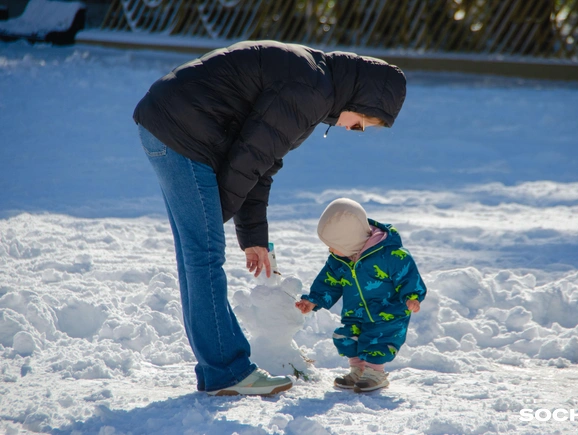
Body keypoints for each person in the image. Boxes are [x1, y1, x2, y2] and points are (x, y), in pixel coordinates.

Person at [133, 40, 407, 396]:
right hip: (183, 132)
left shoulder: (314, 86)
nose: (356, 129)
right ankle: (226, 372)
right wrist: (217, 219)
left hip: (169, 124)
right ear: (362, 100)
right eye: (363, 123)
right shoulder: (310, 90)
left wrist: (252, 236)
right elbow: (249, 160)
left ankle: (218, 370)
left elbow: (260, 163)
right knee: (203, 255)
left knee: (197, 255)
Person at [295, 198, 426, 393]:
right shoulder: (340, 259)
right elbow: (328, 281)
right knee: (348, 337)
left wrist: (413, 296)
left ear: (350, 239)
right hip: (355, 311)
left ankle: (375, 373)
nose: (330, 250)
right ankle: (358, 370)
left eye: (334, 244)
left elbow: (408, 276)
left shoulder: (391, 255)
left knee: (378, 340)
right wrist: (313, 300)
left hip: (386, 312)